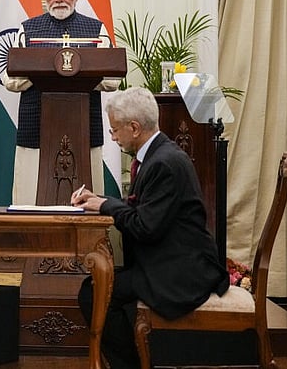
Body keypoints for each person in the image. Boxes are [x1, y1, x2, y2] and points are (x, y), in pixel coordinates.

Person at [70, 87, 228, 369]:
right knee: (95, 286)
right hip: (167, 260)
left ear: (134, 127)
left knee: (93, 292)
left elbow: (145, 226)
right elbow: (142, 208)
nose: (113, 136)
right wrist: (100, 200)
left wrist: (105, 207)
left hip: (181, 271)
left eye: (115, 130)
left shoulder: (164, 163)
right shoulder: (158, 154)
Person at [3, 0, 119, 202]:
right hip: (36, 127)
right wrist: (46, 71)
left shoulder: (96, 30)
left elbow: (113, 78)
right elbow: (10, 78)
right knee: (31, 198)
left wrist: (76, 72)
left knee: (88, 200)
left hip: (84, 127)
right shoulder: (28, 29)